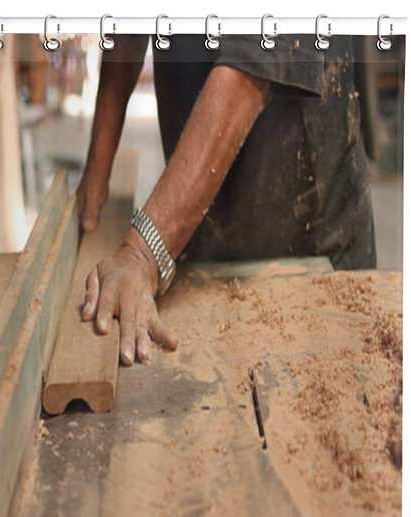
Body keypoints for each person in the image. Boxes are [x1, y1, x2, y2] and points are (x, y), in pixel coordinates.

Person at [76, 34, 376, 366]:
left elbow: (252, 63)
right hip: (205, 219)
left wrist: (141, 256)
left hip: (306, 237)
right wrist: (98, 166)